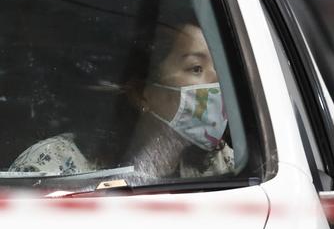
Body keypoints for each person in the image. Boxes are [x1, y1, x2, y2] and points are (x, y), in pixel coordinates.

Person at [9, 20, 234, 181]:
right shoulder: (53, 166)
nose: (216, 82)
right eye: (196, 68)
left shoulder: (221, 164)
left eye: (219, 68)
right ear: (141, 93)